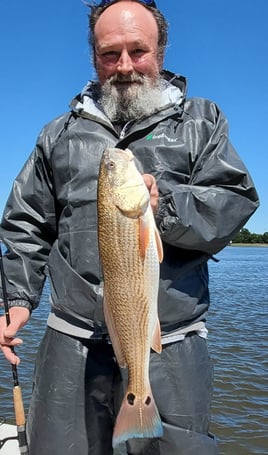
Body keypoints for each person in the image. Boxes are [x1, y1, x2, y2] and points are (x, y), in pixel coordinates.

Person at [0, 1, 259, 454]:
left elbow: (233, 200)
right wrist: (18, 301)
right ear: (93, 57)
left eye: (137, 51)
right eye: (109, 54)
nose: (124, 66)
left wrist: (164, 208)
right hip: (72, 338)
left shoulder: (201, 121)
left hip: (171, 341)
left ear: (161, 50)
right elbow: (26, 224)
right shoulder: (57, 134)